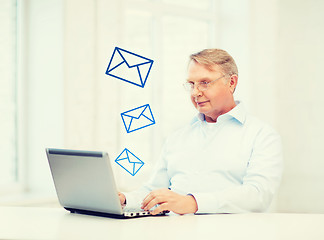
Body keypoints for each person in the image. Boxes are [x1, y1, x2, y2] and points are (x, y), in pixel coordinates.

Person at [118, 48, 283, 215]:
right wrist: (125, 199)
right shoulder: (177, 137)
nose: (196, 92)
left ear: (231, 83)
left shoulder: (262, 135)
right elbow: (154, 191)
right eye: (191, 84)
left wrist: (193, 203)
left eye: (205, 82)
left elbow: (258, 195)